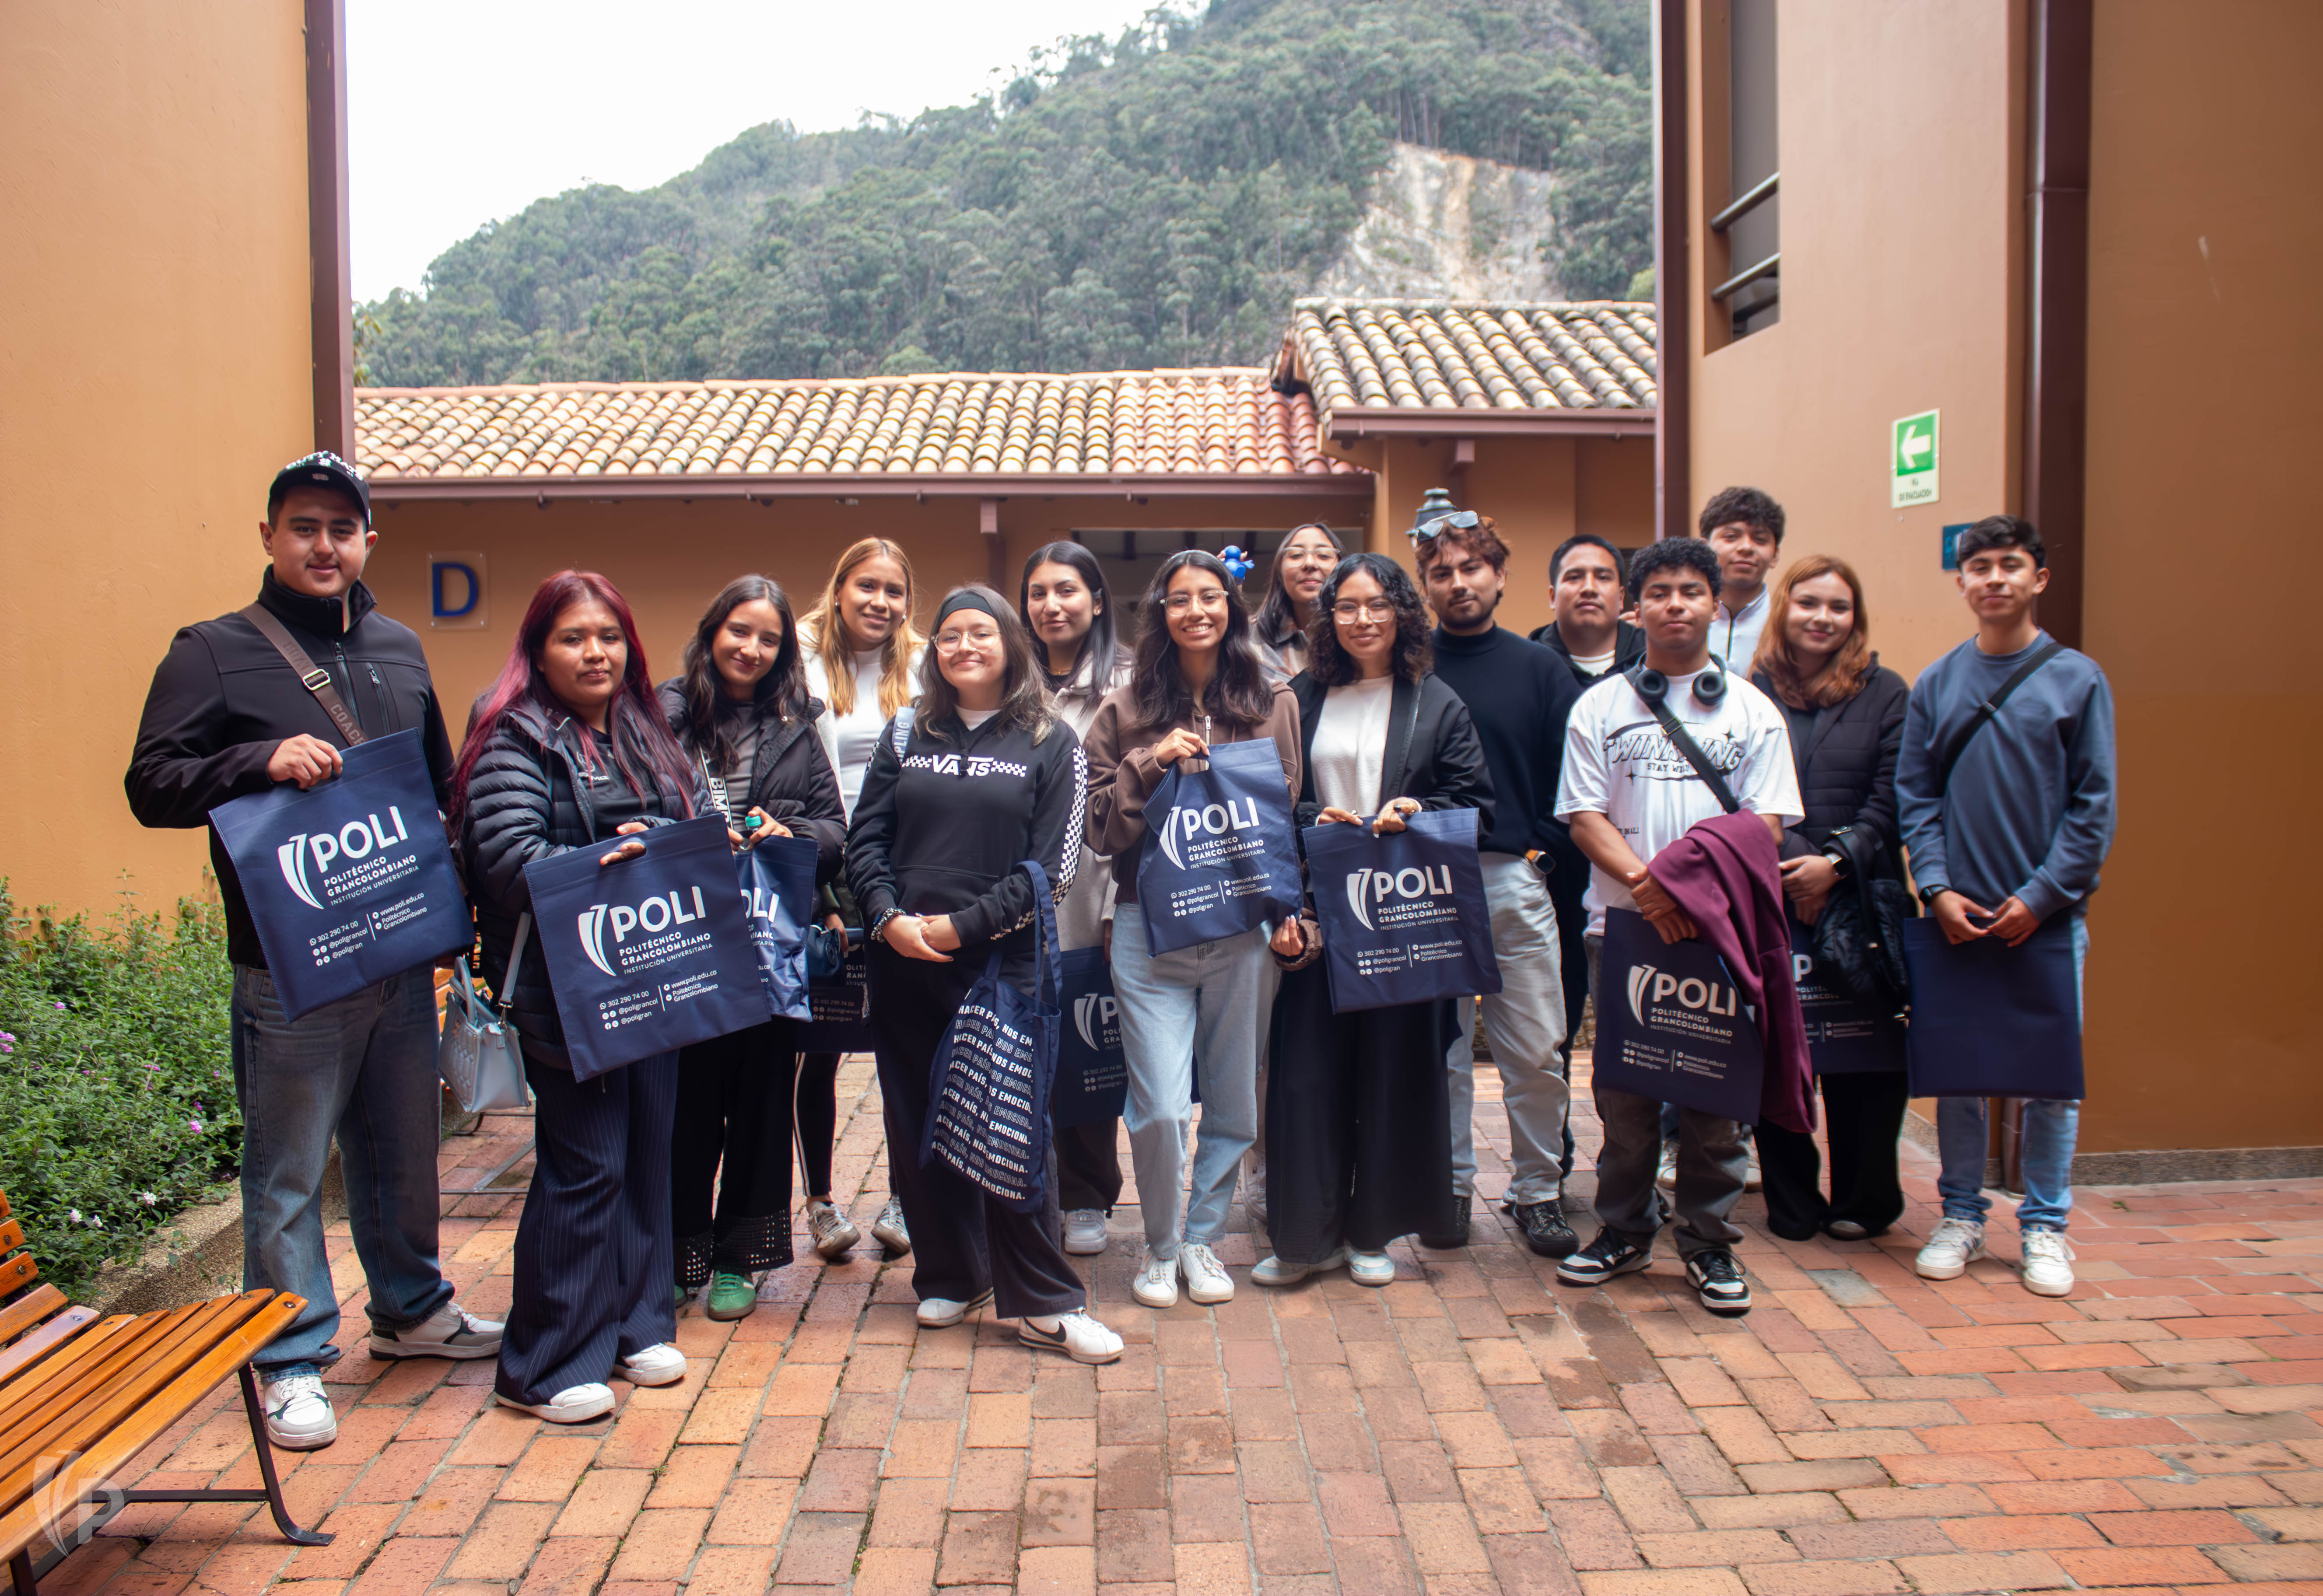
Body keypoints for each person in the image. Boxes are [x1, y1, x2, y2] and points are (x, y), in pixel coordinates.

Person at [125, 451, 501, 1451]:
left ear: (369, 539)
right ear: (268, 538)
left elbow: (432, 798)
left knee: (400, 1151)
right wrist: (258, 761)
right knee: (287, 1168)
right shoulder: (211, 653)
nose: (323, 544)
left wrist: (457, 922)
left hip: (395, 954)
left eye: (342, 527)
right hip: (287, 966)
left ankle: (413, 1311)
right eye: (303, 526)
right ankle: (290, 1353)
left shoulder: (399, 648)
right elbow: (151, 785)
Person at [457, 570, 715, 1422]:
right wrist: (613, 855)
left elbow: (698, 818)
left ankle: (634, 1326)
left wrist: (669, 841)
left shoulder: (648, 729)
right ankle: (542, 1366)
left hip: (654, 976)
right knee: (585, 1165)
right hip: (569, 992)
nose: (594, 652)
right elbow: (504, 858)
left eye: (607, 635)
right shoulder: (516, 738)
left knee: (648, 1155)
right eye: (573, 637)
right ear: (537, 649)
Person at [846, 586, 1124, 1363]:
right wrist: (888, 918)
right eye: (947, 635)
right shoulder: (907, 729)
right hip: (900, 960)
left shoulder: (1049, 739)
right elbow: (865, 838)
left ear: (1009, 642)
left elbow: (1053, 869)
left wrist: (957, 928)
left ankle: (1042, 1301)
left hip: (998, 963)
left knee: (1009, 1123)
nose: (962, 645)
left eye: (979, 632)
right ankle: (951, 1272)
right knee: (914, 1120)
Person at [1553, 538, 1801, 1316]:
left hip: (1717, 937)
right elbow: (1581, 814)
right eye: (1656, 591)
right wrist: (1645, 886)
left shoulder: (1751, 709)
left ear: (1712, 604)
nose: (1673, 604)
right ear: (1636, 608)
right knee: (1624, 1097)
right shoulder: (1599, 705)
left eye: (1689, 591)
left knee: (1713, 1104)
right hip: (1622, 929)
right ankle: (1623, 1229)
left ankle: (1706, 1242)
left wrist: (1691, 897)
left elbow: (1766, 822)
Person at [1254, 553, 1493, 1286]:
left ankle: (1370, 1232)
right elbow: (1271, 796)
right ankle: (1303, 1238)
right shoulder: (1301, 694)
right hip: (1322, 913)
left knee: (1394, 1073)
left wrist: (1418, 810)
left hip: (1401, 916)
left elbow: (1477, 805)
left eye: (1376, 604)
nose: (1362, 619)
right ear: (1327, 618)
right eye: (1346, 607)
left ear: (1402, 613)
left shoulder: (1436, 701)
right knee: (1304, 1075)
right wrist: (1309, 816)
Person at [1899, 516, 2115, 1298]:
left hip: (2047, 922)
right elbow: (1913, 796)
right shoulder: (1935, 682)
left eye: (2009, 565)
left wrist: (2039, 895)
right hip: (1957, 917)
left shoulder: (2076, 679)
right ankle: (1958, 1213)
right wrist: (1936, 886)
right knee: (1960, 1076)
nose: (1993, 578)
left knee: (2047, 1081)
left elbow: (2092, 808)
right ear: (1960, 582)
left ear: (2038, 579)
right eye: (1978, 566)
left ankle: (2045, 1225)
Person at [1083, 550, 1301, 1310]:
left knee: (1235, 1097)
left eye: (1210, 597)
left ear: (1232, 608)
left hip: (1242, 928)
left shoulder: (1273, 700)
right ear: (1161, 613)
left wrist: (1286, 913)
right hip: (1150, 929)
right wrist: (1150, 760)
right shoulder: (1123, 707)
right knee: (1163, 1104)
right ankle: (1160, 1244)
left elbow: (1282, 819)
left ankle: (1203, 1237)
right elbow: (1098, 829)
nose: (1196, 611)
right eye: (1179, 600)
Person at [659, 577, 847, 1320]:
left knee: (762, 1098)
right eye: (739, 630)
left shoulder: (798, 720)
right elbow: (633, 808)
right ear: (712, 631)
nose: (752, 648)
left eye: (768, 638)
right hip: (681, 937)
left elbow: (835, 828)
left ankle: (740, 1257)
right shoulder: (662, 713)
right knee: (686, 1103)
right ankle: (679, 1252)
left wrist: (790, 832)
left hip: (767, 940)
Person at [1411, 511, 1582, 1258]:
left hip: (1513, 876)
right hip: (1423, 878)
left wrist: (1538, 854)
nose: (1458, 583)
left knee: (1537, 1045)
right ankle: (1448, 1186)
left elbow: (1569, 782)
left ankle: (1536, 1190)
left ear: (1500, 576)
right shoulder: (1409, 669)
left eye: (1471, 568)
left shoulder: (1541, 668)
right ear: (1424, 586)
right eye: (1441, 572)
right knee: (1439, 1049)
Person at [1745, 557, 1911, 1242]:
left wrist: (1835, 864)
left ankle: (1866, 1200)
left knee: (1865, 1054)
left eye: (1838, 607)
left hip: (1864, 903)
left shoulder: (1887, 692)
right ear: (1784, 608)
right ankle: (1792, 1201)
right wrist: (1794, 865)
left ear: (1855, 619)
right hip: (1771, 896)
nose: (1822, 617)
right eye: (1808, 602)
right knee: (1778, 1055)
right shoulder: (1749, 691)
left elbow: (1895, 791)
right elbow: (1739, 791)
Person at [795, 538, 926, 1260]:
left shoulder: (927, 662)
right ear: (839, 587)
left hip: (904, 869)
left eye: (894, 590)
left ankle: (908, 1195)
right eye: (866, 585)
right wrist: (819, 888)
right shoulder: (800, 659)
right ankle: (819, 1201)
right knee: (818, 1045)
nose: (880, 601)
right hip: (825, 869)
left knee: (903, 1039)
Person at [1021, 542, 1135, 1257]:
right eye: (1036, 592)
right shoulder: (1008, 676)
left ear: (1096, 599)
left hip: (1101, 883)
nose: (1050, 605)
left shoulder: (1125, 680)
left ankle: (1088, 1191)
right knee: (1024, 1033)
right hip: (1019, 883)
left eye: (1065, 589)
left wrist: (1115, 900)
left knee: (1090, 1035)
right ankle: (1026, 1182)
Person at [1530, 534, 1647, 684]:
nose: (1589, 588)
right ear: (1553, 597)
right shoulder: (1528, 664)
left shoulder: (1654, 656)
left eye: (1603, 577)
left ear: (1621, 597)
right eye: (1574, 577)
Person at [1699, 486, 1787, 670]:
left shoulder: (1787, 623)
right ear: (1705, 549)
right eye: (1731, 537)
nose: (1746, 547)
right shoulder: (1681, 618)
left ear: (1776, 555)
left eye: (1760, 539)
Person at [1252, 522, 1344, 682]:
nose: (1309, 564)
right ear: (1279, 571)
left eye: (1323, 555)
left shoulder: (1358, 634)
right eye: (1296, 555)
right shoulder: (1248, 638)